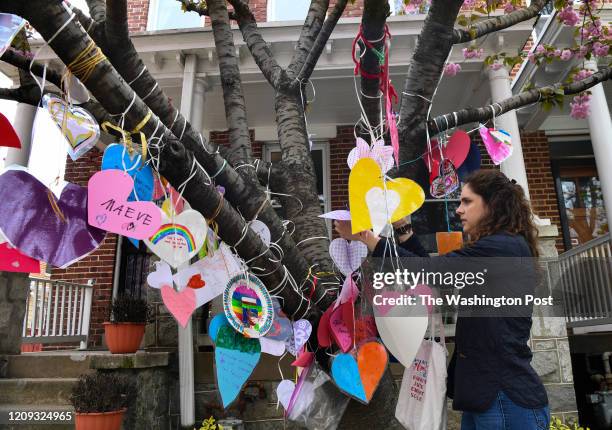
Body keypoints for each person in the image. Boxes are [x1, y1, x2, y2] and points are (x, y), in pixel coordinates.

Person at [335, 169, 550, 430]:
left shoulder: (502, 247)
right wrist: (403, 227)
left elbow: (429, 272)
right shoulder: (499, 248)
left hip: (504, 397)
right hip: (487, 397)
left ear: (493, 205)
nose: (459, 210)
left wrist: (365, 237)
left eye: (467, 201)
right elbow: (432, 273)